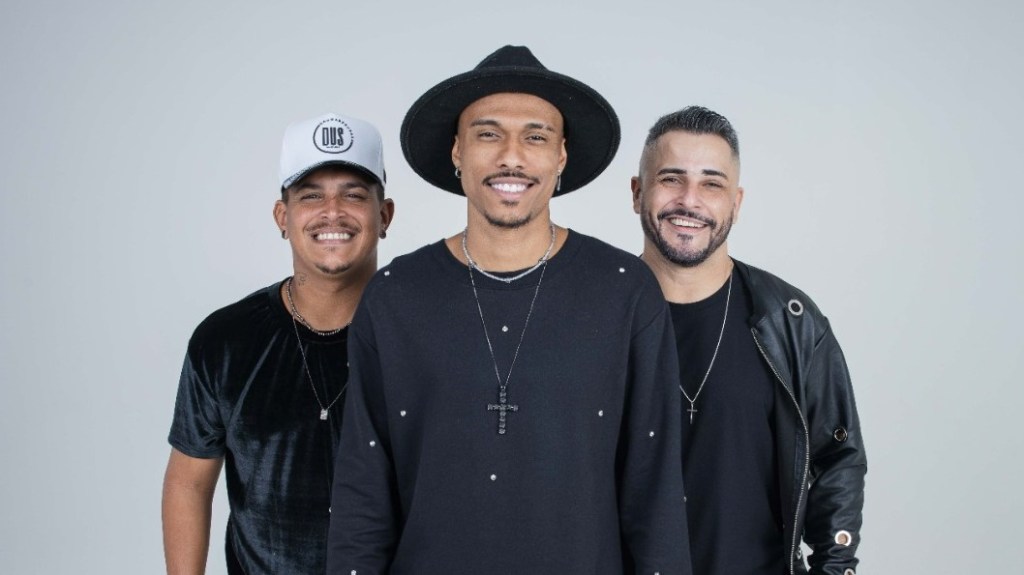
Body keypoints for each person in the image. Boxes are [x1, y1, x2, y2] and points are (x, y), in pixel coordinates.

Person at [327, 46, 691, 574]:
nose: (511, 157)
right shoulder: (394, 296)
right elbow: (362, 497)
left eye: (536, 137)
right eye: (488, 134)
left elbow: (655, 494)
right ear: (457, 152)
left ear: (561, 156)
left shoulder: (625, 291)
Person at [631, 105, 866, 575]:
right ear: (638, 193)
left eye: (712, 184)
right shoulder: (596, 315)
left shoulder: (790, 321)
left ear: (736, 203)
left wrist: (835, 567)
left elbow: (838, 458)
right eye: (672, 179)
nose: (690, 201)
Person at [161, 112, 395, 574]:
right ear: (282, 217)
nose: (333, 211)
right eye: (311, 195)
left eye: (353, 194)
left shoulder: (425, 334)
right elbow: (189, 482)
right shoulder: (225, 341)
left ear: (383, 215)